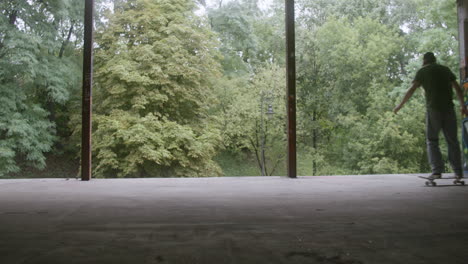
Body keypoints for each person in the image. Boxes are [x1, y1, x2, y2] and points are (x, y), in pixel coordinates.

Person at [394, 52, 468, 179]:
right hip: (449, 109)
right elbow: (457, 88)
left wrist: (400, 105)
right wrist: (463, 106)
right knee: (452, 141)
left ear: (424, 61)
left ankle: (437, 171)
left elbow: (412, 89)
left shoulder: (423, 71)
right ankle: (458, 171)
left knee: (432, 140)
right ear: (434, 60)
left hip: (434, 110)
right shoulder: (445, 70)